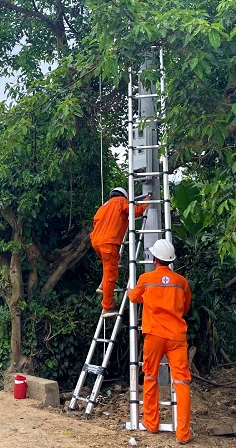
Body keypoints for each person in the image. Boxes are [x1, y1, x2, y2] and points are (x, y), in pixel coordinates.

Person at [128, 239, 192, 445]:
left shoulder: (146, 279)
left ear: (155, 259)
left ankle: (151, 423)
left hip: (154, 335)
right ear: (170, 260)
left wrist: (130, 291)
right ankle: (183, 434)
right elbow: (185, 307)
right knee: (181, 383)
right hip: (177, 336)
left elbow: (134, 298)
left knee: (150, 377)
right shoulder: (181, 282)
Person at [90, 187, 150, 317]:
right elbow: (133, 211)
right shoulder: (121, 201)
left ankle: (102, 285)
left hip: (96, 242)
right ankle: (107, 308)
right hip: (109, 243)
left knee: (109, 265)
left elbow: (95, 223)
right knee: (110, 275)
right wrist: (145, 203)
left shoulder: (103, 207)